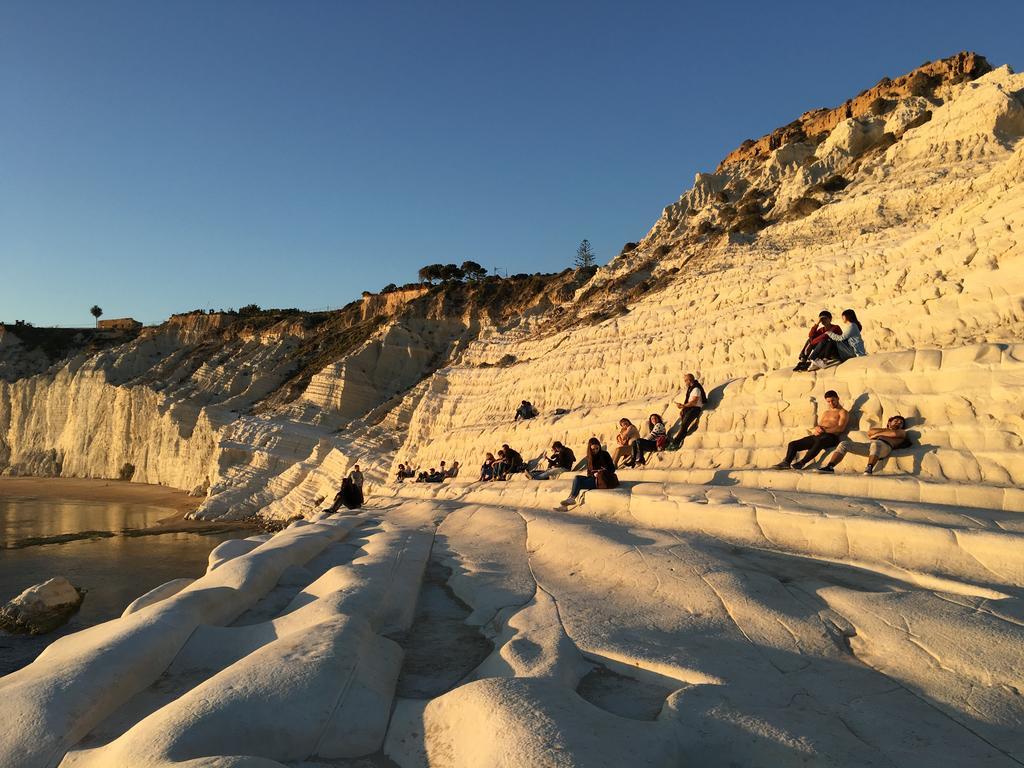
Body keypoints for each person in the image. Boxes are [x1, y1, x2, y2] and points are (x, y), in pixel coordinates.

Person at [773, 390, 849, 469]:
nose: (831, 403)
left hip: (831, 437)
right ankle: (786, 463)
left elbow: (841, 428)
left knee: (819, 441)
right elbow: (820, 425)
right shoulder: (826, 412)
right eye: (828, 401)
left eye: (833, 400)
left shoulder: (843, 412)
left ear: (838, 398)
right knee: (793, 444)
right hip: (819, 435)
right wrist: (816, 428)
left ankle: (801, 463)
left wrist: (824, 430)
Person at [818, 415, 909, 475]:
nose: (898, 423)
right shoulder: (881, 429)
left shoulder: (902, 432)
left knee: (876, 443)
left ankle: (869, 468)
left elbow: (894, 434)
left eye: (901, 423)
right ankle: (830, 467)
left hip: (885, 447)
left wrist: (877, 435)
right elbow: (870, 432)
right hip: (870, 446)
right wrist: (879, 433)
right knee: (844, 444)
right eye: (896, 421)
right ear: (889, 423)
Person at [560, 437, 619, 507]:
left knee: (578, 484)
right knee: (577, 478)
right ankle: (570, 499)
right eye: (593, 449)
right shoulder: (589, 457)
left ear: (599, 446)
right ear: (590, 449)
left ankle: (569, 501)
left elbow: (612, 469)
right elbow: (589, 473)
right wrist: (594, 475)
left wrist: (602, 471)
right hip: (594, 478)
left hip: (603, 479)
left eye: (597, 448)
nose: (595, 450)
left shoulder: (605, 454)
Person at [669, 374, 707, 449]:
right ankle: (679, 440)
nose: (685, 382)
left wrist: (683, 406)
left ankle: (675, 443)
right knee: (683, 425)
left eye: (685, 380)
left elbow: (694, 402)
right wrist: (683, 409)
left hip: (694, 409)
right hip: (690, 408)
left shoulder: (696, 389)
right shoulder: (691, 388)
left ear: (689, 380)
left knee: (684, 425)